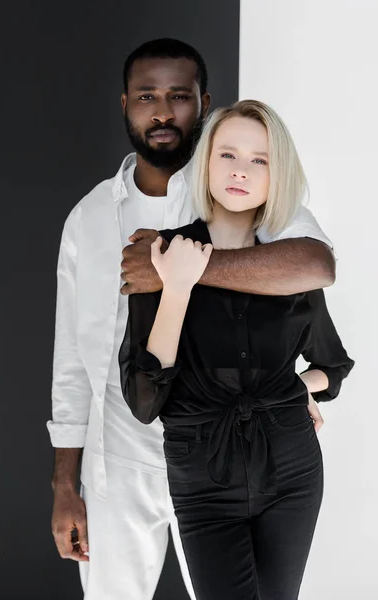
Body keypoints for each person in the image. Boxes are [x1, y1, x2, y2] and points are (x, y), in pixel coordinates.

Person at [48, 38, 336, 600]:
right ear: (124, 104)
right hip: (119, 464)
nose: (161, 112)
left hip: (229, 459)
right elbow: (72, 362)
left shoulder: (237, 192)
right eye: (146, 97)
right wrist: (65, 483)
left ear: (204, 105)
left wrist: (180, 267)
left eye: (179, 97)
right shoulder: (87, 218)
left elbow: (314, 262)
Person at [120, 99, 354, 600]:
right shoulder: (156, 254)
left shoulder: (290, 265)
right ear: (205, 162)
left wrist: (294, 389)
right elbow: (144, 401)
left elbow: (332, 367)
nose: (241, 172)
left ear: (277, 175)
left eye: (259, 160)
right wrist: (177, 287)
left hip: (292, 467)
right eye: (227, 155)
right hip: (203, 475)